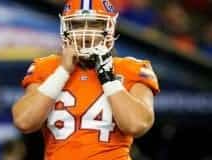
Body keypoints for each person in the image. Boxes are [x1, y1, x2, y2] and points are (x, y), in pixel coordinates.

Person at [12, 0, 160, 160]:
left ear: (109, 28)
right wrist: (62, 72)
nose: (86, 33)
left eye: (94, 24)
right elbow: (24, 121)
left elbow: (136, 125)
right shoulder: (46, 67)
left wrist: (108, 77)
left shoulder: (133, 68)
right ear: (65, 29)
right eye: (77, 24)